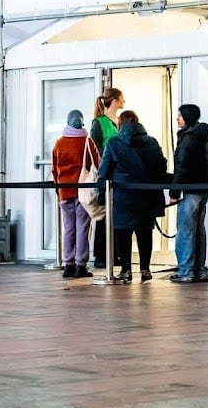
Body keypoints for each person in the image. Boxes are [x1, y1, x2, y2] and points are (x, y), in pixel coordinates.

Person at [95, 110, 167, 283]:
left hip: (122, 195)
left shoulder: (113, 143)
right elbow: (161, 166)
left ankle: (126, 270)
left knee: (122, 233)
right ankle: (145, 269)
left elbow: (104, 170)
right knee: (145, 233)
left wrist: (101, 193)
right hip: (147, 194)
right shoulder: (151, 142)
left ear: (120, 124)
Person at [51, 109, 99, 278]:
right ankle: (81, 265)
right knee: (82, 228)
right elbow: (97, 164)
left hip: (64, 191)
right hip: (83, 191)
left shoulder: (59, 143)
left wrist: (58, 190)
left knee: (69, 228)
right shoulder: (87, 142)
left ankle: (68, 264)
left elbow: (54, 169)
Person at [168, 104, 208, 283]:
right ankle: (199, 270)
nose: (177, 118)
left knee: (185, 230)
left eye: (180, 115)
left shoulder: (188, 138)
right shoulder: (201, 135)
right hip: (202, 188)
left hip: (189, 189)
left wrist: (174, 191)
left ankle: (186, 271)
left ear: (187, 116)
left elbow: (183, 167)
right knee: (199, 230)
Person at [90, 87, 124, 269]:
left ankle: (114, 253)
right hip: (106, 174)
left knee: (116, 216)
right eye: (122, 98)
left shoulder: (119, 122)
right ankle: (101, 255)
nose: (124, 101)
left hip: (119, 175)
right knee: (103, 216)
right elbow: (95, 148)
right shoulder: (99, 122)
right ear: (115, 101)